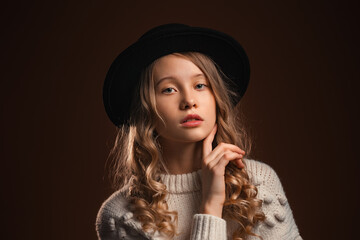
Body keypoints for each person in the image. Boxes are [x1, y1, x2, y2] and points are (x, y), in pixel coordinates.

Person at [96, 24, 302, 240]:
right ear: (144, 111)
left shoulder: (258, 184)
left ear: (217, 98)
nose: (189, 101)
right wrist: (211, 205)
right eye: (168, 89)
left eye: (200, 85)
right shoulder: (120, 215)